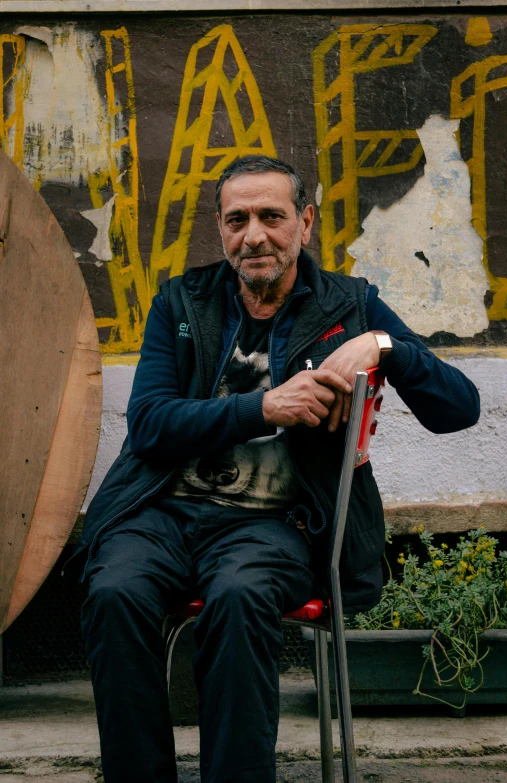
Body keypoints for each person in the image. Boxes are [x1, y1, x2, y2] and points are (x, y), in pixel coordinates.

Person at [72, 155, 480, 783]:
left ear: (305, 223)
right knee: (114, 590)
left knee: (239, 596)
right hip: (162, 511)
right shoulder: (183, 300)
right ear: (221, 229)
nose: (253, 235)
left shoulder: (351, 304)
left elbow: (460, 409)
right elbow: (150, 423)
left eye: (271, 216)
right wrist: (264, 405)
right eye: (237, 220)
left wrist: (387, 346)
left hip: (274, 523)